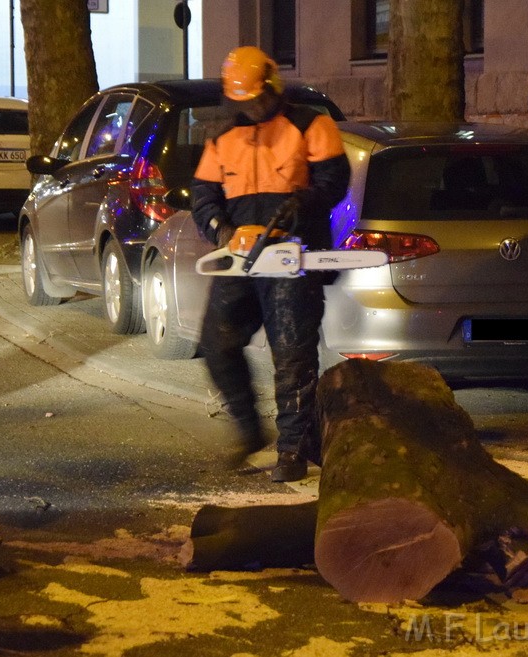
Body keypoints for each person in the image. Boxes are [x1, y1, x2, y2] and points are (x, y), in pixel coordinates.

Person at [191, 46, 350, 482]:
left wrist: (304, 204)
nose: (253, 107)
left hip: (291, 256)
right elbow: (202, 194)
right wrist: (219, 228)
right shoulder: (222, 140)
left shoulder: (310, 125)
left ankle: (293, 452)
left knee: (292, 356)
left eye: (258, 98)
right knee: (217, 342)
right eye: (244, 101)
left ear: (273, 87)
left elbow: (333, 180)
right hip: (241, 257)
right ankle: (249, 432)